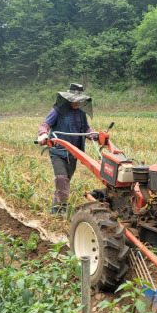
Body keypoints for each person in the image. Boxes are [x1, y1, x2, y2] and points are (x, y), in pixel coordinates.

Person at [38, 83, 94, 215]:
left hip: (74, 153)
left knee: (65, 181)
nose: (77, 102)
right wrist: (43, 134)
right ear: (69, 98)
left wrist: (94, 135)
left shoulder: (81, 114)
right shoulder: (58, 111)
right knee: (61, 178)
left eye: (80, 100)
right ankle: (63, 208)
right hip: (58, 151)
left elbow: (86, 129)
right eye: (75, 100)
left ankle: (54, 208)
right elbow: (45, 124)